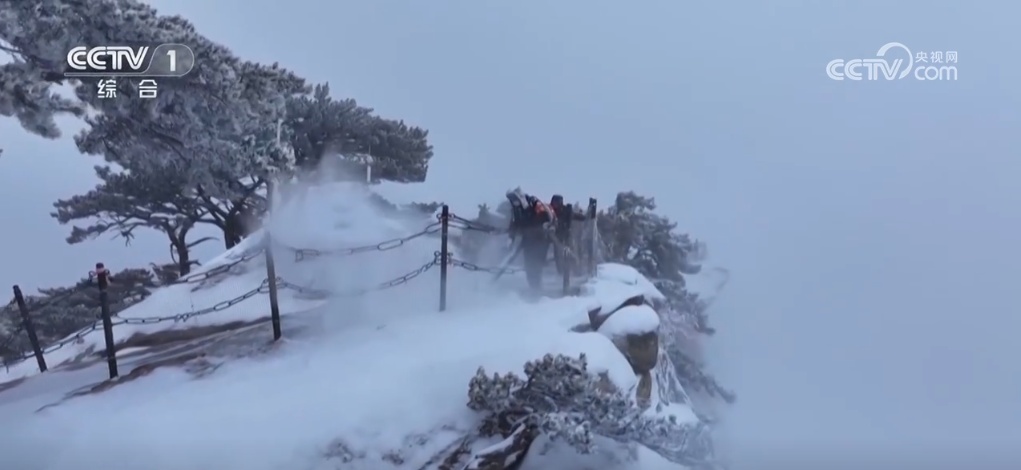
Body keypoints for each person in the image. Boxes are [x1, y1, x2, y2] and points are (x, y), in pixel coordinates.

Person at [505, 189, 556, 290]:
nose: (515, 203)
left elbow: (545, 216)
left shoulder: (534, 204)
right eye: (513, 202)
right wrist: (511, 238)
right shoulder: (516, 210)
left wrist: (543, 226)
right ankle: (533, 287)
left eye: (516, 201)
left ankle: (537, 288)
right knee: (529, 264)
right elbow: (514, 224)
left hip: (540, 239)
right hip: (527, 240)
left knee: (536, 263)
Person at [548, 194, 587, 274]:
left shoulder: (566, 210)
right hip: (556, 238)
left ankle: (576, 272)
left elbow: (576, 216)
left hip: (567, 237)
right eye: (553, 202)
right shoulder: (550, 211)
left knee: (570, 255)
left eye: (556, 202)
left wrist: (585, 217)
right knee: (558, 258)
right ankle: (561, 274)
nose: (554, 204)